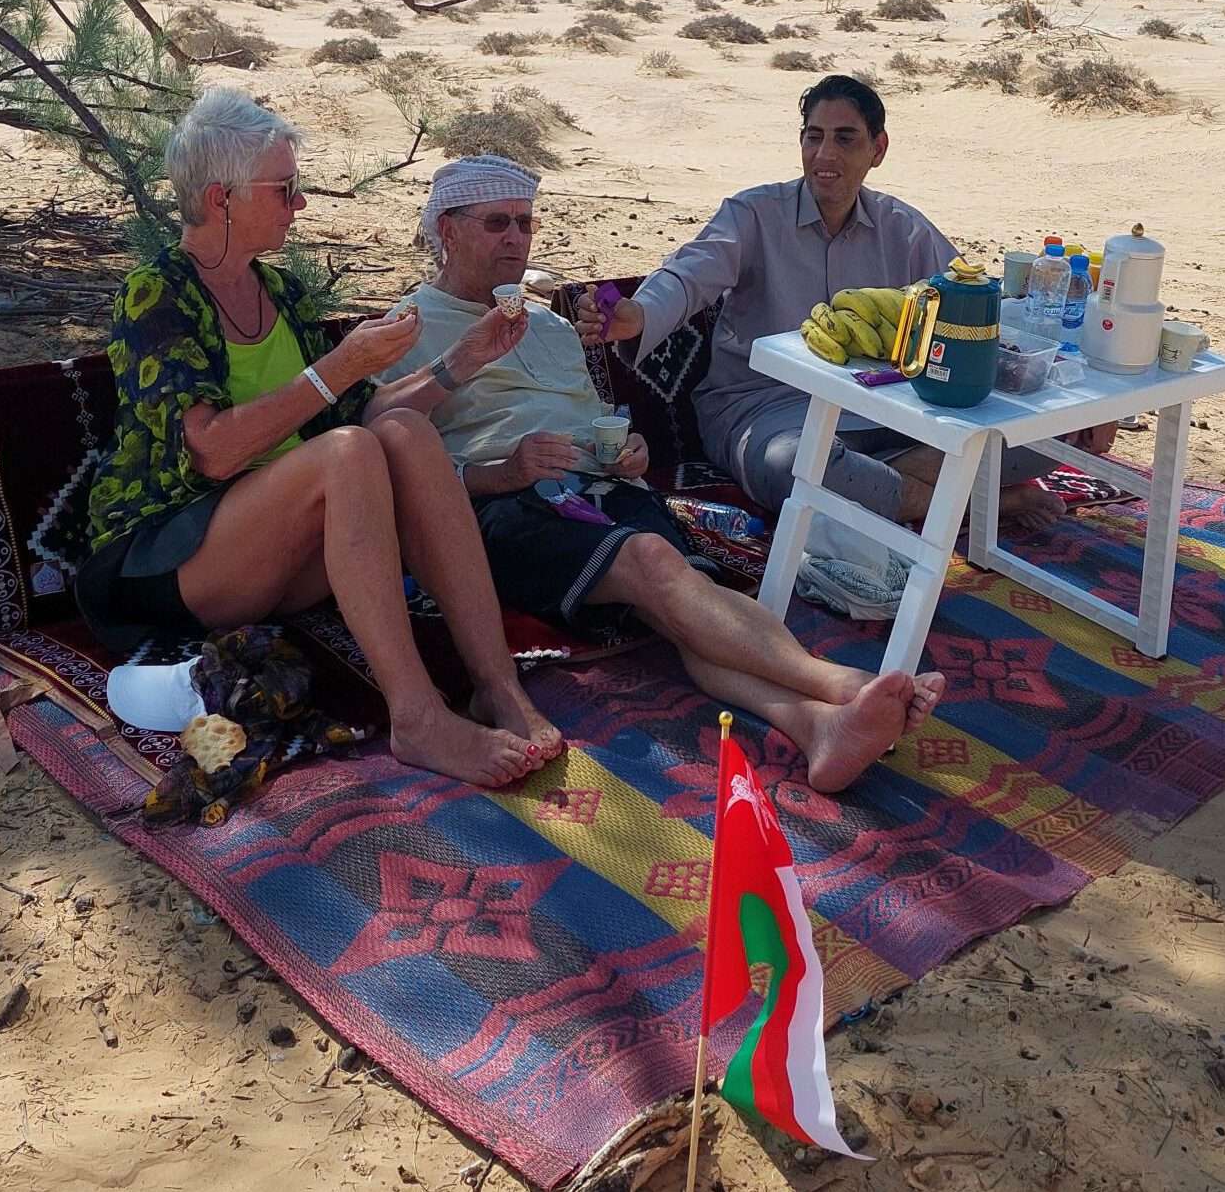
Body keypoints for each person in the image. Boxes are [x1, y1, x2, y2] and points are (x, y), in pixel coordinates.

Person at [375, 155, 942, 793]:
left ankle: (818, 728)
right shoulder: (408, 327)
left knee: (681, 601)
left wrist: (629, 448)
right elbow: (388, 440)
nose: (516, 238)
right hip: (506, 508)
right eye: (496, 223)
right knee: (655, 565)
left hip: (605, 487)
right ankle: (846, 684)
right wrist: (498, 471)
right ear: (447, 230)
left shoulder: (550, 324)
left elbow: (592, 417)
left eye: (525, 223)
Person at [79, 89, 560, 787]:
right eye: (283, 188)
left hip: (276, 547)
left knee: (402, 432)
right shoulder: (157, 293)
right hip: (174, 555)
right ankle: (416, 715)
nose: (299, 203)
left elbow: (364, 413)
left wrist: (462, 360)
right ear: (220, 199)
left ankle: (497, 685)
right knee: (348, 451)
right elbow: (211, 450)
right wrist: (336, 368)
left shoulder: (282, 294)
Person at [575, 74, 1112, 531]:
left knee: (1049, 439)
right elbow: (688, 274)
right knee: (796, 470)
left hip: (884, 410)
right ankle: (983, 504)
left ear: (878, 149)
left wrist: (1076, 396)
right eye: (814, 137)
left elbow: (971, 299)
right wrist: (638, 314)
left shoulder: (903, 229)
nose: (825, 155)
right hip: (765, 412)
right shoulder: (753, 214)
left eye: (845, 138)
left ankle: (896, 484)